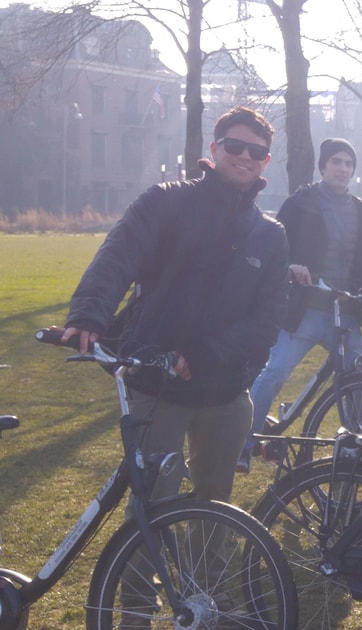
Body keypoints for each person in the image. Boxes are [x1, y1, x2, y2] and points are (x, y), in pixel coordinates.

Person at [59, 106, 288, 506]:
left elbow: (267, 320)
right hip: (157, 380)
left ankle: (207, 572)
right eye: (235, 145)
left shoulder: (270, 235)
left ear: (266, 161)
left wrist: (202, 356)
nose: (245, 157)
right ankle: (133, 571)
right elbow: (119, 255)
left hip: (226, 389)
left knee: (214, 505)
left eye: (257, 152)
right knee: (151, 503)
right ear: (215, 149)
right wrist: (88, 314)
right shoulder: (167, 201)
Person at [239, 138, 362, 472]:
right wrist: (293, 265)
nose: (343, 169)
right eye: (336, 162)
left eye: (349, 163)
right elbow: (274, 247)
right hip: (305, 309)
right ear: (323, 166)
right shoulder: (300, 202)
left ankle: (352, 445)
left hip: (344, 309)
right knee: (273, 372)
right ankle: (242, 443)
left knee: (356, 376)